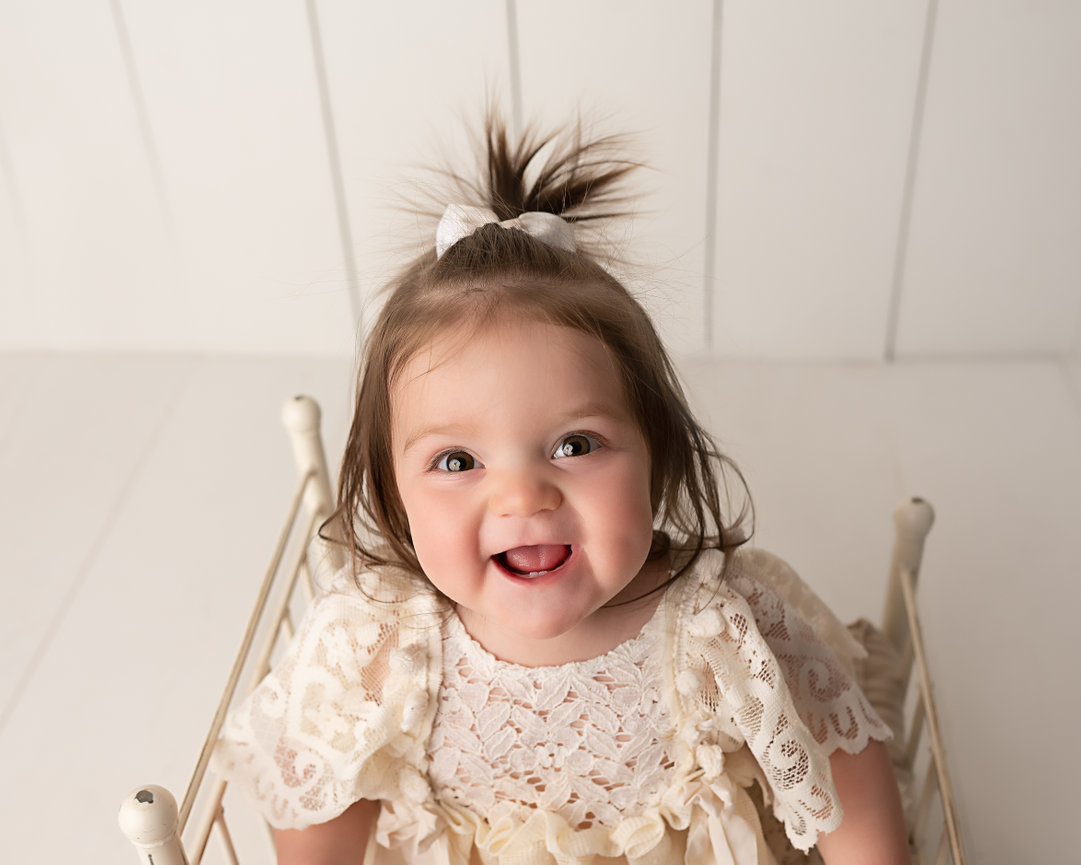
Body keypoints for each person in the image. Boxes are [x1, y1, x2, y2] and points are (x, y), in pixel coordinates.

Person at [214, 114, 910, 865]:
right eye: (456, 461)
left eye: (575, 445)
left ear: (656, 457)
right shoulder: (384, 640)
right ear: (393, 492)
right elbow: (319, 792)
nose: (522, 497)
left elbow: (840, 756)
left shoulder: (712, 624)